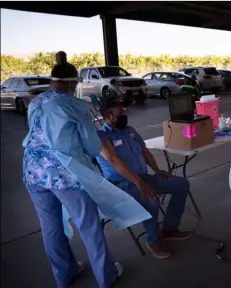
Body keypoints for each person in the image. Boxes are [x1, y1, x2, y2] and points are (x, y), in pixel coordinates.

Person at [22, 63, 154, 288]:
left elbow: (37, 135)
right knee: (89, 226)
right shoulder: (74, 104)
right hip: (64, 173)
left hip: (32, 170)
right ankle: (106, 276)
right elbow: (92, 147)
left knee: (51, 227)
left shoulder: (35, 101)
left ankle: (64, 275)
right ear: (73, 82)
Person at [96, 100, 192, 259]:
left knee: (181, 184)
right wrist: (141, 184)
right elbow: (115, 162)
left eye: (124, 110)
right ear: (108, 116)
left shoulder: (130, 130)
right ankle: (153, 241)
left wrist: (157, 170)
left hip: (143, 177)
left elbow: (145, 152)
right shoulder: (101, 136)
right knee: (150, 199)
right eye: (120, 113)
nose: (124, 115)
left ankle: (169, 228)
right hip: (122, 185)